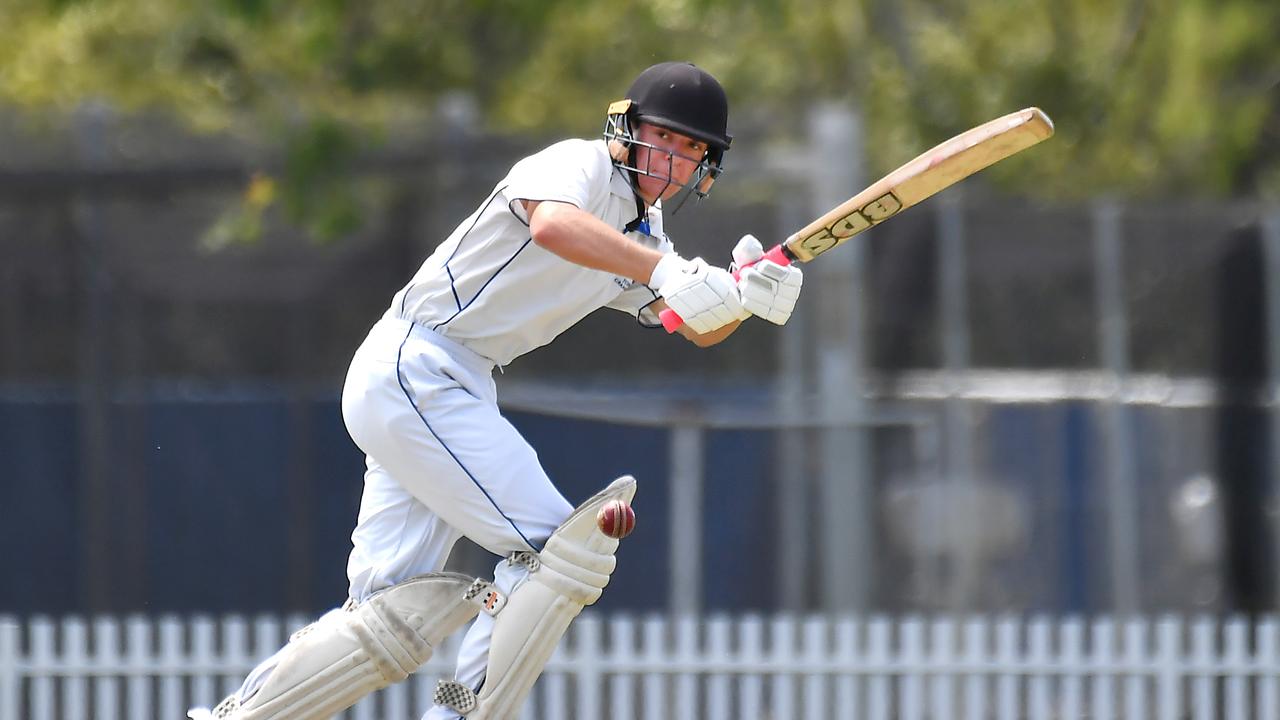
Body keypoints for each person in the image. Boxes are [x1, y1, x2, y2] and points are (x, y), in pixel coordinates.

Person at [189, 60, 803, 720]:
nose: (674, 159)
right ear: (626, 129)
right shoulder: (579, 166)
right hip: (418, 364)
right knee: (558, 553)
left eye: (691, 150)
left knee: (389, 618)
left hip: (447, 383)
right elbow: (553, 227)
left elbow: (693, 326)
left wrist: (745, 297)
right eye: (664, 137)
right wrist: (670, 270)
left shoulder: (646, 238)